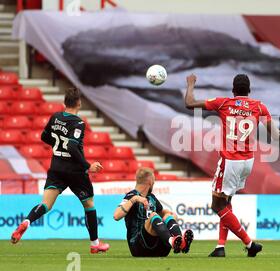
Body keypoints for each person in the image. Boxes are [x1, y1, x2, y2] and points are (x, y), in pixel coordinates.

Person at [184, 73, 280, 257]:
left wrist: (190, 84)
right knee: (226, 201)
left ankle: (249, 244)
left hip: (230, 160)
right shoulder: (259, 106)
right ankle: (220, 247)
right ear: (249, 90)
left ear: (233, 90)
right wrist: (276, 131)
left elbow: (190, 103)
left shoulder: (224, 103)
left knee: (216, 205)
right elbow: (275, 135)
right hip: (247, 162)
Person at [11, 88, 109, 253]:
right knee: (89, 205)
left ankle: (26, 222)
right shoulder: (78, 123)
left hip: (56, 167)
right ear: (79, 103)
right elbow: (71, 146)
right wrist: (88, 166)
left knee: (46, 204)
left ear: (65, 103)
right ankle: (95, 244)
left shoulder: (55, 117)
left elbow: (44, 136)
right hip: (75, 171)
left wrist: (58, 146)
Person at [114, 167, 194, 257]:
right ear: (150, 181)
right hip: (139, 248)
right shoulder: (131, 196)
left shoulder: (151, 197)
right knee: (153, 215)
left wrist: (171, 215)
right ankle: (172, 241)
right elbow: (116, 216)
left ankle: (180, 244)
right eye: (154, 180)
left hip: (160, 249)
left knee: (169, 214)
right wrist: (134, 199)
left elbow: (164, 213)